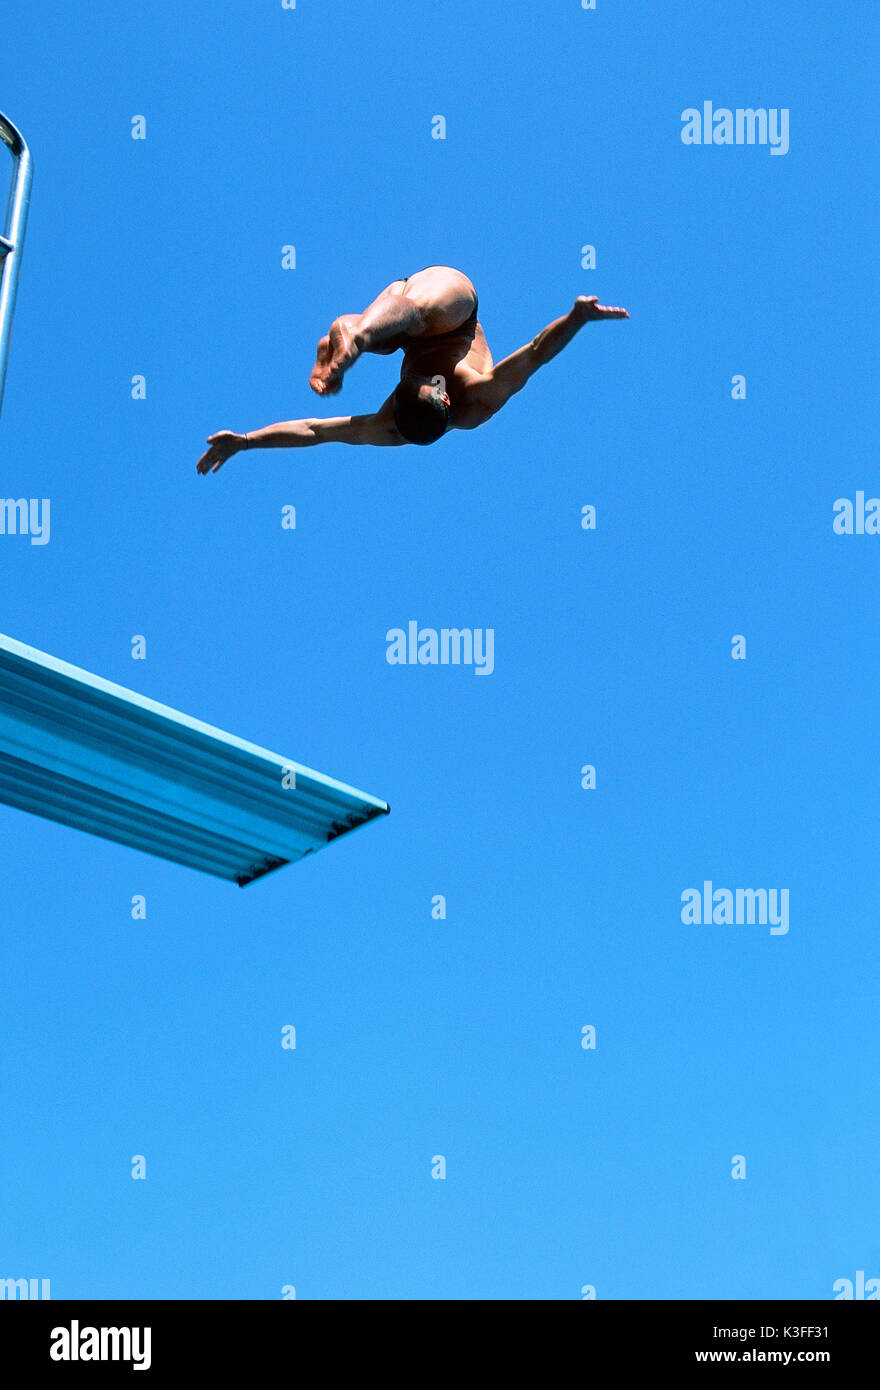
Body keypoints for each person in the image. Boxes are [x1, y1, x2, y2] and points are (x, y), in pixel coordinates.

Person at [196, 265, 628, 473]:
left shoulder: (391, 427)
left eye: (405, 386)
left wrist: (247, 442)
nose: (412, 380)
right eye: (417, 384)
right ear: (443, 394)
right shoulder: (479, 399)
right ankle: (354, 339)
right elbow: (536, 352)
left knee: (376, 325)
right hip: (451, 311)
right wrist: (577, 319)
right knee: (420, 312)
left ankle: (349, 336)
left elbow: (316, 431)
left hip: (394, 326)